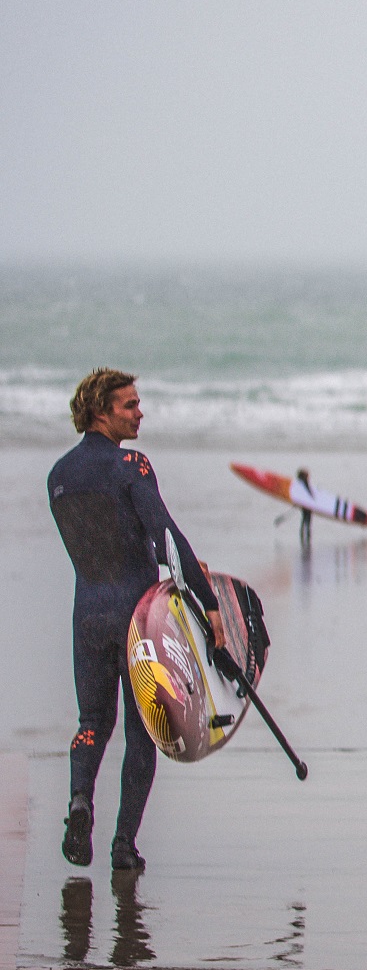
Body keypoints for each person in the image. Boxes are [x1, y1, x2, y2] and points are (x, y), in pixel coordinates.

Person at [49, 369, 227, 872]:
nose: (139, 412)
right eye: (129, 405)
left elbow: (106, 541)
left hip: (88, 615)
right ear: (101, 411)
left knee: (91, 724)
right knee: (141, 731)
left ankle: (80, 802)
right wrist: (207, 599)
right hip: (136, 618)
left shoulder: (58, 477)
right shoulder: (132, 465)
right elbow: (164, 536)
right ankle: (123, 846)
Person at [294, 467, 313, 545]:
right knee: (307, 520)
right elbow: (309, 493)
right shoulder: (305, 483)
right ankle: (307, 534)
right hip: (307, 505)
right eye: (307, 475)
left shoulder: (300, 483)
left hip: (305, 504)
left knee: (304, 519)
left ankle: (303, 534)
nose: (309, 476)